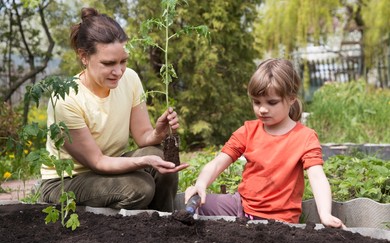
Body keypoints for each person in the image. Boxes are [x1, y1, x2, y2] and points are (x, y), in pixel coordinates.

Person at [40, 7, 188, 212]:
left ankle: (163, 224)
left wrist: (157, 133)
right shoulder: (66, 100)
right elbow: (98, 162)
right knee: (139, 187)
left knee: (164, 161)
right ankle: (123, 231)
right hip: (68, 181)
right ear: (84, 56)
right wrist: (144, 161)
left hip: (112, 166)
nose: (118, 72)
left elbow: (143, 137)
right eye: (108, 63)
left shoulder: (130, 79)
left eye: (123, 61)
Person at [184, 58, 345, 228]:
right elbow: (218, 163)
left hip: (279, 221)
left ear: (291, 98)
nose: (262, 109)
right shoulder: (248, 130)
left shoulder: (305, 137)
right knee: (193, 204)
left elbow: (317, 177)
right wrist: (200, 184)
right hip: (240, 207)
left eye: (271, 102)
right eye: (256, 102)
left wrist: (325, 215)